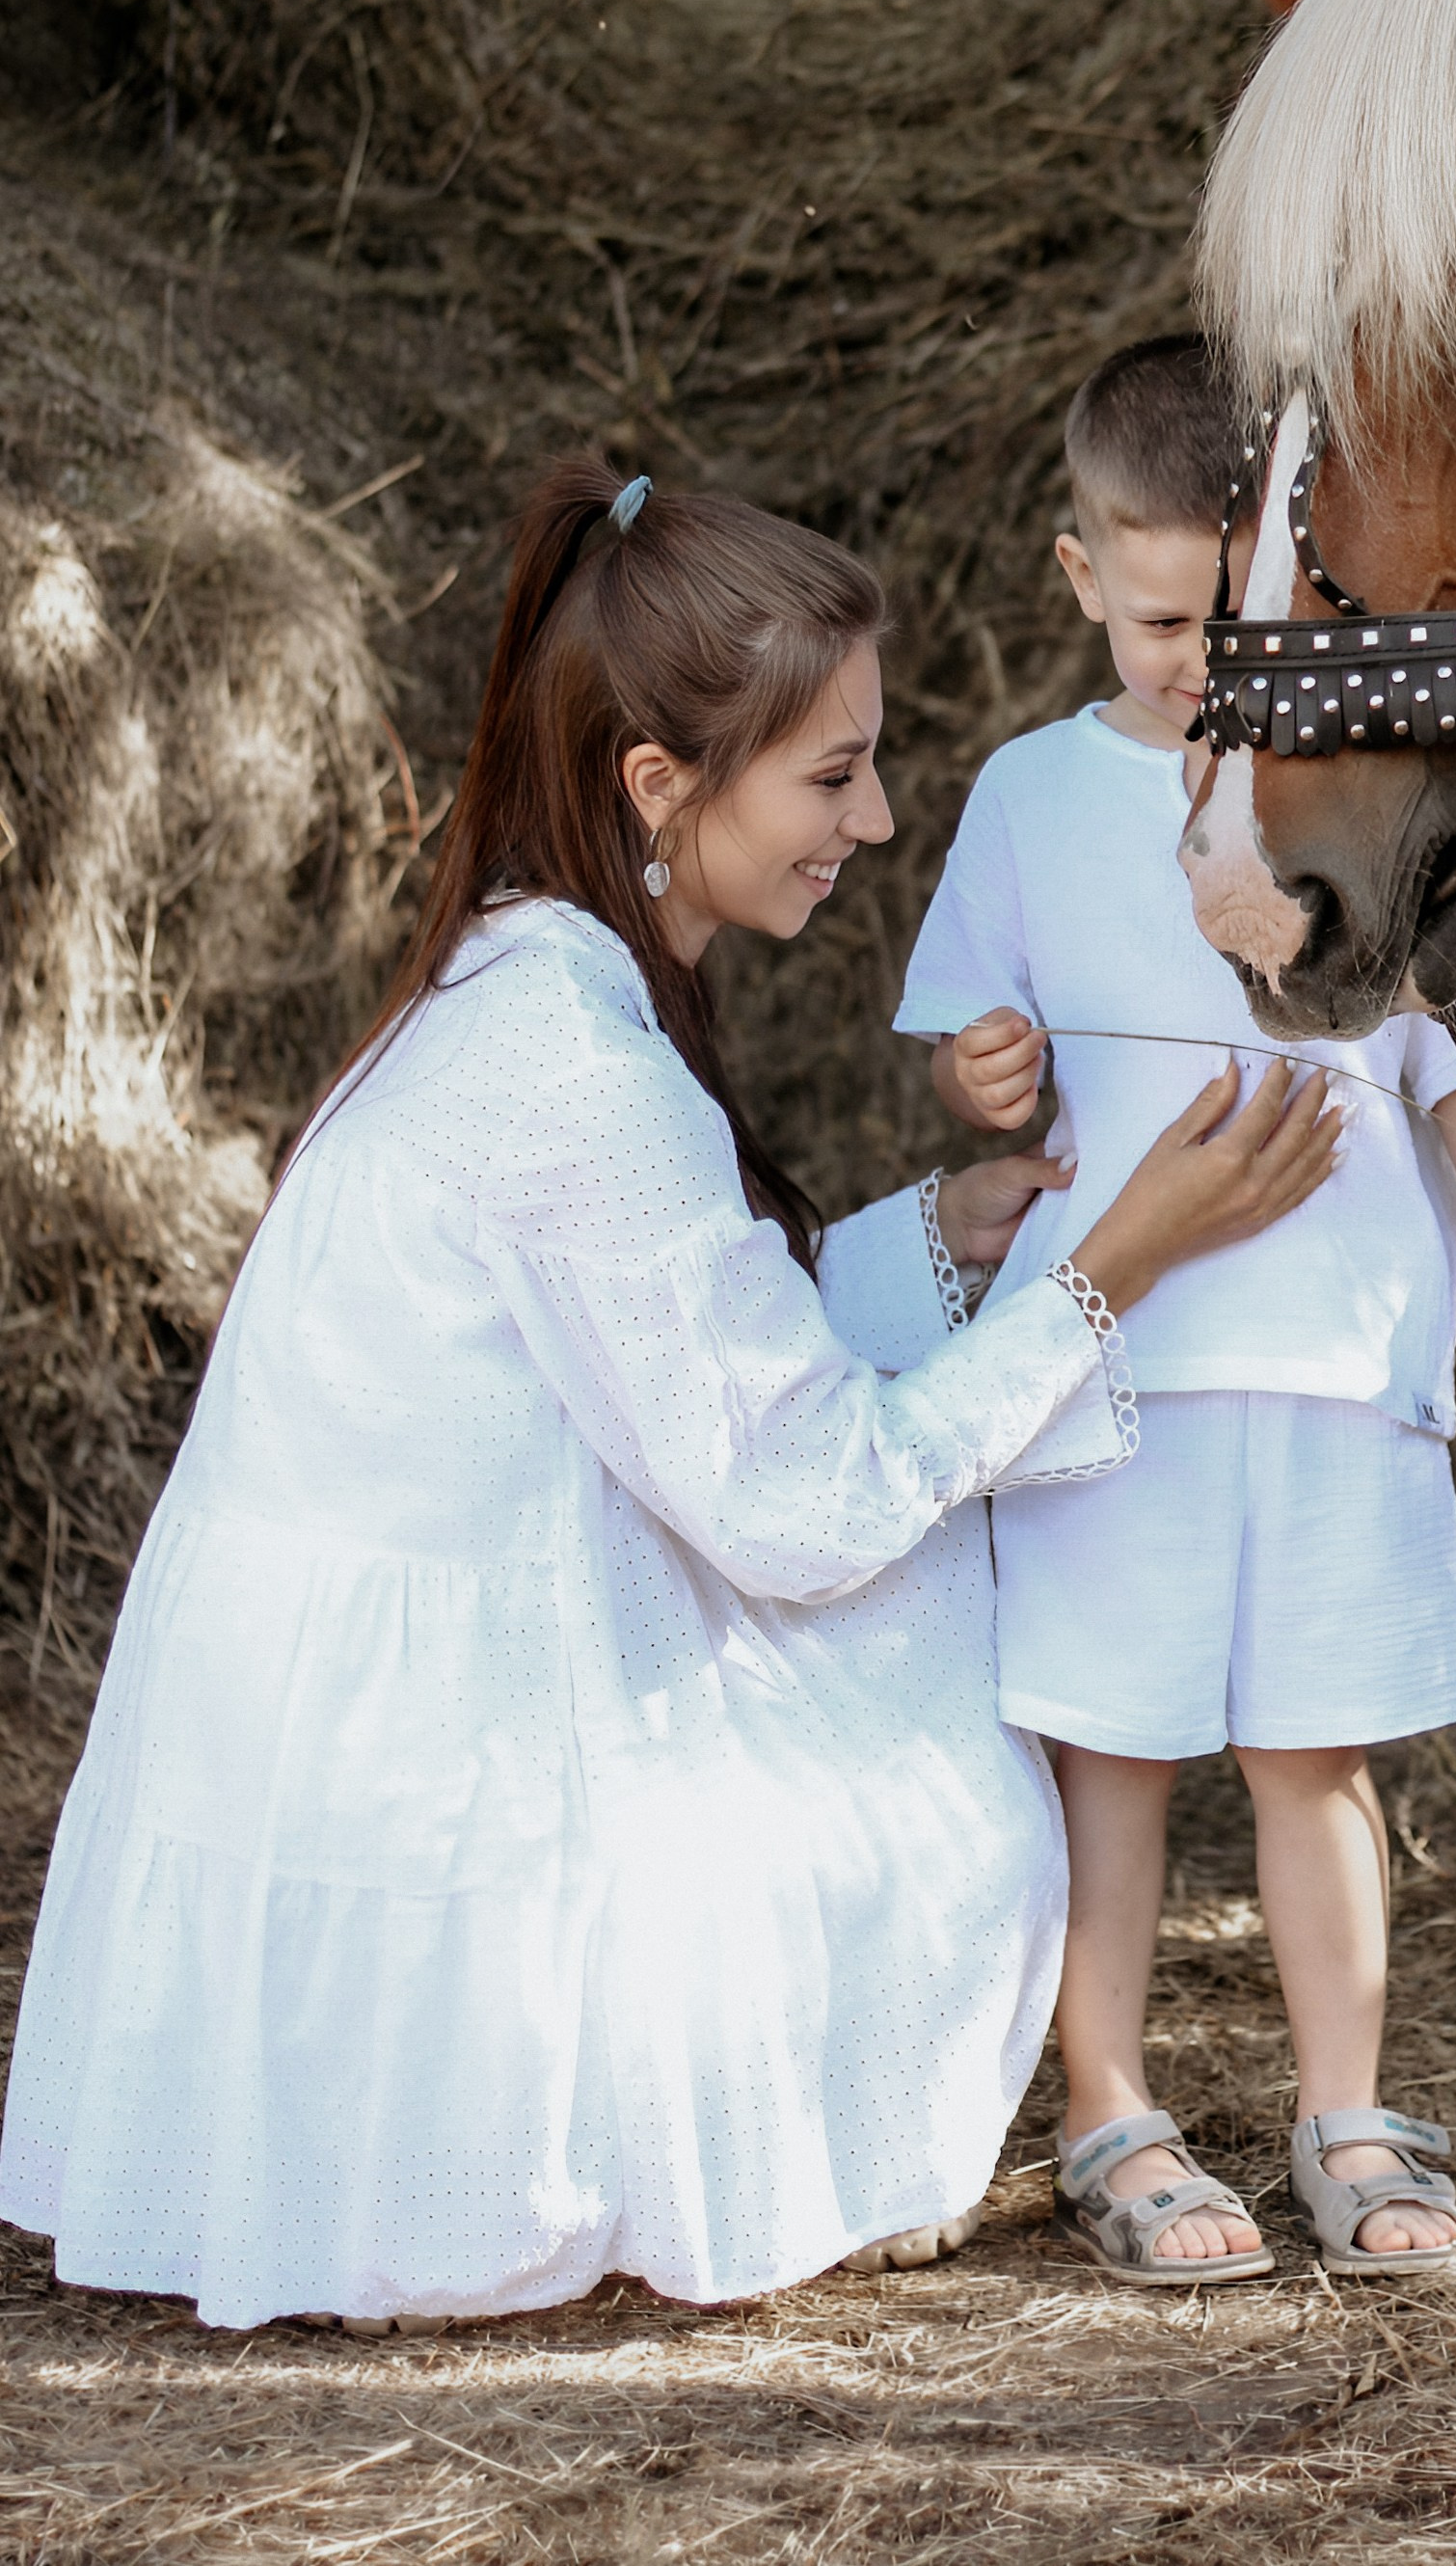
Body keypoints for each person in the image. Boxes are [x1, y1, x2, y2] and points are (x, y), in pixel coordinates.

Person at [0, 457, 1339, 2334]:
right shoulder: (577, 1068)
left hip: (374, 1692)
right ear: (660, 783)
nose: (873, 818)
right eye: (829, 773)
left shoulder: (511, 982)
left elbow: (678, 1334)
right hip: (442, 1774)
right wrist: (1120, 1267)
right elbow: (801, 1504)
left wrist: (943, 1228)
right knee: (962, 1755)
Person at [898, 338, 1456, 2287]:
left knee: (1322, 1753)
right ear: (1079, 580)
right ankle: (1109, 2103)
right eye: (1154, 618)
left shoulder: (1384, 795)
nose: (1192, 653)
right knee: (1110, 1756)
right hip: (1116, 1365)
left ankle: (1344, 2101)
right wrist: (986, 1075)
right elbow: (986, 1063)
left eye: (1231, 611)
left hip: (1333, 1361)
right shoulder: (1032, 791)